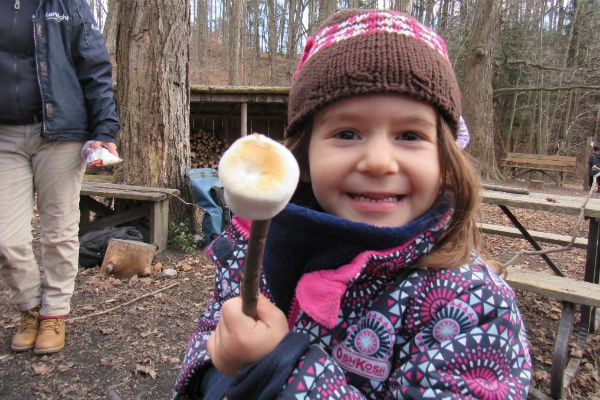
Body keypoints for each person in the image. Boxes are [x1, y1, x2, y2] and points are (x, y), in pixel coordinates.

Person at [174, 8, 531, 399]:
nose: (378, 161)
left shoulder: (471, 306)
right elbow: (209, 338)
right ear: (303, 158)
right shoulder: (253, 254)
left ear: (445, 161)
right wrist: (219, 373)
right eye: (347, 133)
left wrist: (280, 370)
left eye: (410, 135)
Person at [0, 0, 120, 355]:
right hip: (5, 135)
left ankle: (53, 313)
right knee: (6, 238)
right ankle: (29, 308)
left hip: (61, 133)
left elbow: (95, 67)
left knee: (58, 230)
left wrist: (105, 129)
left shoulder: (68, 5)